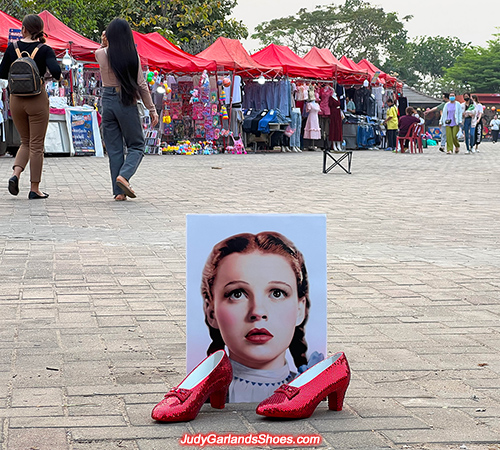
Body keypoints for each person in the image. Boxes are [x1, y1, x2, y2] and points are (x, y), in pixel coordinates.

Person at [201, 231, 322, 403]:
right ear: (211, 312)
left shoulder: (314, 388)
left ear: (300, 309)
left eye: (277, 293)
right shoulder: (198, 397)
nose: (257, 311)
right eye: (237, 294)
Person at [95, 18, 158, 201]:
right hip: (126, 100)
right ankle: (124, 176)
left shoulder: (101, 54)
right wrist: (152, 109)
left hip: (107, 101)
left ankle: (119, 192)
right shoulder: (133, 56)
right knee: (137, 145)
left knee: (114, 150)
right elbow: (141, 85)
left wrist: (103, 42)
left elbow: (99, 51)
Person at [0, 14, 61, 199]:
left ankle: (15, 174)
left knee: (24, 142)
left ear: (24, 29)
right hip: (37, 99)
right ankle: (34, 189)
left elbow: (2, 72)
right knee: (36, 145)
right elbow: (57, 73)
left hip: (16, 99)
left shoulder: (12, 48)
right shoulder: (45, 49)